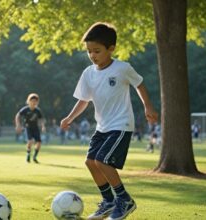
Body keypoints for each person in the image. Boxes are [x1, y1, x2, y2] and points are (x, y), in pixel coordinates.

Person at [59, 22, 158, 220]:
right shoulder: (88, 73)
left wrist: (148, 106)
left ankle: (124, 199)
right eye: (89, 51)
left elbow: (139, 84)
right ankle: (108, 202)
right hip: (102, 127)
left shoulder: (122, 68)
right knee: (90, 162)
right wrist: (70, 117)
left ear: (111, 48)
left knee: (102, 161)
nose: (92, 55)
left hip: (121, 125)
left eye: (97, 51)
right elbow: (83, 100)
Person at [15, 93, 46, 163]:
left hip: (36, 128)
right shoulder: (25, 109)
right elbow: (17, 115)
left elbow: (41, 119)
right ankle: (28, 154)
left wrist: (43, 126)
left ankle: (34, 156)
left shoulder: (38, 110)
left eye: (35, 101)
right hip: (28, 127)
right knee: (30, 141)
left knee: (39, 143)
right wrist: (18, 125)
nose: (34, 102)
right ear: (29, 101)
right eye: (32, 100)